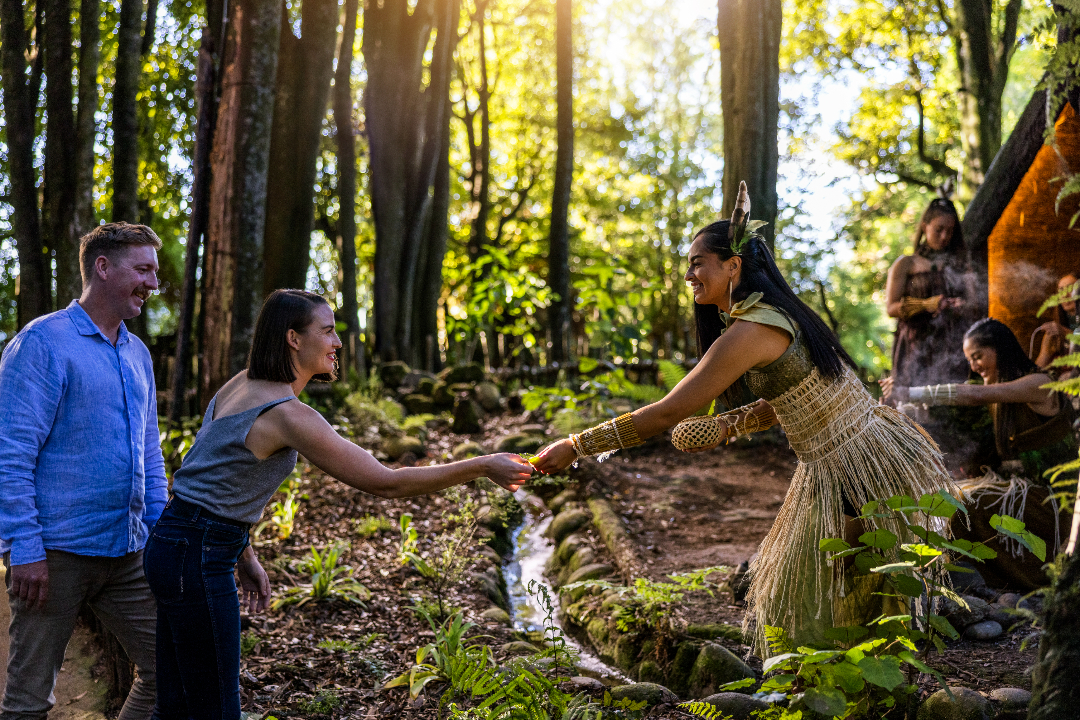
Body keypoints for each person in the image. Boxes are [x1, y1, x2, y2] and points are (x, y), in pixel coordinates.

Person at [533, 185, 955, 656]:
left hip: (857, 463)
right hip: (848, 459)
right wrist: (731, 425)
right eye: (688, 263)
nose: (689, 273)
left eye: (698, 262)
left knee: (824, 596)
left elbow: (669, 411)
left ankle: (860, 693)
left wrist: (577, 445)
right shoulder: (771, 316)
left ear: (733, 265)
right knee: (828, 593)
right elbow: (797, 397)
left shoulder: (751, 330)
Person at [142, 289, 533, 720]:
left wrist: (242, 554)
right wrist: (482, 465)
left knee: (175, 705)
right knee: (215, 711)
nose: (338, 343)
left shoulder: (242, 383)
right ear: (293, 338)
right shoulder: (288, 415)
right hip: (196, 555)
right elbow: (386, 483)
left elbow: (208, 481)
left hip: (174, 543)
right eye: (327, 331)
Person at [0, 223, 166, 720]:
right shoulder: (42, 344)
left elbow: (150, 456)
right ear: (103, 267)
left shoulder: (137, 354)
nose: (153, 284)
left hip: (129, 552)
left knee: (170, 666)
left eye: (154, 272)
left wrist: (161, 534)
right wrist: (24, 548)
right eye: (143, 270)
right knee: (28, 701)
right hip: (54, 557)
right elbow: (9, 454)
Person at [882, 318, 1076, 591]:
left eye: (978, 356)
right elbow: (955, 411)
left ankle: (1012, 580)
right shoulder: (1001, 397)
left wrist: (910, 392)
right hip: (1027, 494)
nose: (973, 366)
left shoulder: (1038, 383)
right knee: (947, 498)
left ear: (1000, 350)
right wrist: (894, 407)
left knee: (972, 503)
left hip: (1057, 506)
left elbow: (972, 395)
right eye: (969, 359)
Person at [885, 197, 972, 387]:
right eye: (939, 229)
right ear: (925, 226)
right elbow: (891, 309)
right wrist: (927, 304)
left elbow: (974, 303)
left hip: (952, 344)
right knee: (913, 403)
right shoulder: (906, 264)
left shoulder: (960, 265)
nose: (944, 236)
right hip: (914, 346)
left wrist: (960, 306)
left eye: (950, 231)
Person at [1032, 273, 1080, 370]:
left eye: (1070, 289)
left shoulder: (1061, 330)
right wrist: (1045, 353)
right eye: (1061, 291)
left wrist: (1066, 333)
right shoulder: (1057, 329)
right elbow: (1038, 372)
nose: (1065, 295)